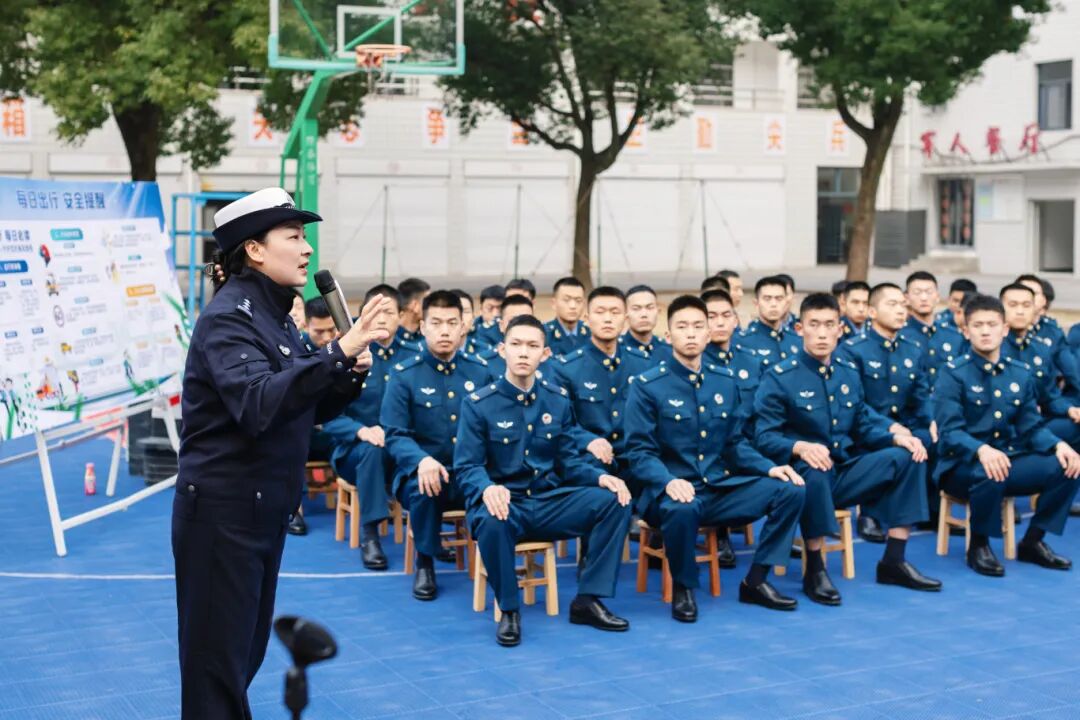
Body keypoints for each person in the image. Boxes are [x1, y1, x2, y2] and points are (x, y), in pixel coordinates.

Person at [173, 187, 391, 720]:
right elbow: (258, 403)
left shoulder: (276, 316)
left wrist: (346, 371)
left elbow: (301, 407)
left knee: (241, 658)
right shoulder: (229, 319)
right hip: (223, 515)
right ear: (254, 250)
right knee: (216, 671)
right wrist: (337, 351)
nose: (307, 248)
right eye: (293, 236)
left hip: (261, 512)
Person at [455, 315, 634, 646]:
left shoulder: (557, 399)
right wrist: (487, 487)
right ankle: (509, 610)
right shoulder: (479, 404)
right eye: (516, 344)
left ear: (545, 354)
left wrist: (600, 477)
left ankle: (588, 600)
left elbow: (567, 460)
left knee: (615, 500)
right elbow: (467, 467)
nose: (524, 352)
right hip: (506, 504)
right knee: (492, 519)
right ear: (502, 350)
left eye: (532, 346)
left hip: (547, 502)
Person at [625, 295, 806, 621]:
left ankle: (756, 581)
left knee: (790, 488)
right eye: (682, 327)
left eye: (698, 326)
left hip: (717, 488)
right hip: (667, 493)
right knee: (682, 506)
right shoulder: (647, 386)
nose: (690, 333)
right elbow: (639, 452)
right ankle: (684, 588)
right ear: (668, 336)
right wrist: (668, 481)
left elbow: (734, 444)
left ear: (708, 334)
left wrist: (770, 468)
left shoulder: (724, 380)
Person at [755, 293, 940, 606]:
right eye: (814, 324)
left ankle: (894, 560)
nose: (822, 333)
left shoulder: (846, 371)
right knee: (816, 466)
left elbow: (862, 422)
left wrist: (896, 437)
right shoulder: (780, 377)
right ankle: (815, 568)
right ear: (799, 329)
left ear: (840, 329)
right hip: (803, 478)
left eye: (830, 325)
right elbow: (762, 437)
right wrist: (799, 447)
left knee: (911, 454)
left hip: (843, 471)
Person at [934, 294, 1080, 576]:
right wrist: (981, 450)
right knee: (990, 470)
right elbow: (949, 432)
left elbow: (1031, 427)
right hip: (961, 465)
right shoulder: (953, 374)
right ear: (966, 331)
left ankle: (1033, 541)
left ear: (1004, 329)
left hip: (1007, 459)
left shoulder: (1020, 373)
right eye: (977, 325)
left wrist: (1058, 445)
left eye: (992, 325)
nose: (985, 331)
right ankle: (979, 545)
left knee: (1068, 464)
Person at [381, 290, 493, 601]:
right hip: (423, 473)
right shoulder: (404, 375)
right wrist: (421, 461)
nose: (444, 331)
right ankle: (425, 562)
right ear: (422, 327)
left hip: (469, 473)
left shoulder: (481, 370)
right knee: (426, 486)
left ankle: (496, 560)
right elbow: (394, 434)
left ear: (463, 327)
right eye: (436, 323)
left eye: (452, 323)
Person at [319, 284, 410, 570]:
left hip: (401, 450)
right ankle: (370, 534)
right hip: (354, 451)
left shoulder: (412, 356)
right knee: (372, 449)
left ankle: (429, 539)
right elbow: (328, 415)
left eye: (389, 312)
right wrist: (362, 431)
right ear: (362, 315)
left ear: (401, 317)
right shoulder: (348, 352)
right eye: (375, 312)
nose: (381, 319)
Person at [837, 283, 935, 542]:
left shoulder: (913, 349)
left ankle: (928, 508)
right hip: (866, 428)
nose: (900, 310)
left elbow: (921, 396)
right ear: (872, 311)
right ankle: (870, 512)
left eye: (903, 305)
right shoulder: (852, 349)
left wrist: (933, 420)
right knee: (882, 443)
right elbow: (855, 402)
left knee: (931, 437)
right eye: (892, 305)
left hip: (905, 424)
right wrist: (889, 427)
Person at [552, 287, 652, 479]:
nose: (608, 319)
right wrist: (587, 440)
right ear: (587, 319)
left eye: (615, 312)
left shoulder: (643, 363)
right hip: (593, 460)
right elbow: (562, 422)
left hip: (636, 457)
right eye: (600, 312)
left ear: (625, 319)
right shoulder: (566, 368)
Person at [999, 283, 1080, 451]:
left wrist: (1070, 409)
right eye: (1013, 305)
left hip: (1036, 426)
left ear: (1036, 308)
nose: (1020, 311)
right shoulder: (992, 347)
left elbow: (1050, 397)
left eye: (1026, 305)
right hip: (1004, 434)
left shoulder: (1040, 349)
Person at [290, 297, 343, 536]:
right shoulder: (295, 349)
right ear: (306, 325)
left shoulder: (346, 347)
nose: (326, 337)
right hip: (302, 432)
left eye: (331, 330)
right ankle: (293, 508)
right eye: (318, 332)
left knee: (356, 445)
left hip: (333, 431)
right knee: (291, 441)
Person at [900, 271, 966, 383]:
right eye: (917, 292)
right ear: (906, 298)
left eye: (929, 292)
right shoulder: (900, 335)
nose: (924, 297)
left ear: (937, 297)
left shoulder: (954, 336)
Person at [736, 276, 801, 369]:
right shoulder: (742, 342)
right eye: (767, 299)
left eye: (779, 298)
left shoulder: (797, 339)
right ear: (756, 303)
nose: (773, 304)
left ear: (786, 302)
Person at [477, 294, 539, 378]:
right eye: (513, 321)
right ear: (501, 326)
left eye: (526, 320)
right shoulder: (481, 364)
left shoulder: (547, 361)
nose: (520, 326)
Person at [620, 284, 672, 363]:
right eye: (636, 309)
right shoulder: (615, 350)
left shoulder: (669, 350)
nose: (644, 314)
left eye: (650, 307)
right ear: (625, 314)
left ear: (658, 311)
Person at [545, 277, 590, 358]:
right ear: (553, 303)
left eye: (578, 300)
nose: (573, 306)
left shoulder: (592, 333)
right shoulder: (544, 334)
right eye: (566, 300)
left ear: (584, 303)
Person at [396, 277, 430, 346]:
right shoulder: (388, 339)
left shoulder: (428, 339)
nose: (431, 307)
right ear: (415, 305)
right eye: (428, 302)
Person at [473, 284, 505, 351]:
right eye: (490, 308)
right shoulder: (471, 330)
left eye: (500, 308)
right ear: (481, 308)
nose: (495, 314)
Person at [451, 288, 478, 354]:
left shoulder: (485, 352)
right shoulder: (426, 353)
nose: (461, 317)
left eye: (466, 311)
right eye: (453, 311)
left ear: (473, 318)